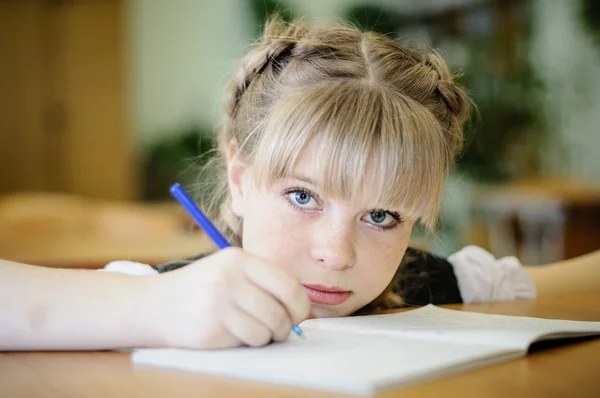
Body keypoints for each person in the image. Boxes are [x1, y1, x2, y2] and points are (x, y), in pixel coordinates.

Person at [1, 16, 599, 352]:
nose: (335, 255)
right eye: (303, 196)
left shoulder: (431, 282)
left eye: (383, 216)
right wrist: (150, 308)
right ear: (240, 179)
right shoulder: (169, 295)